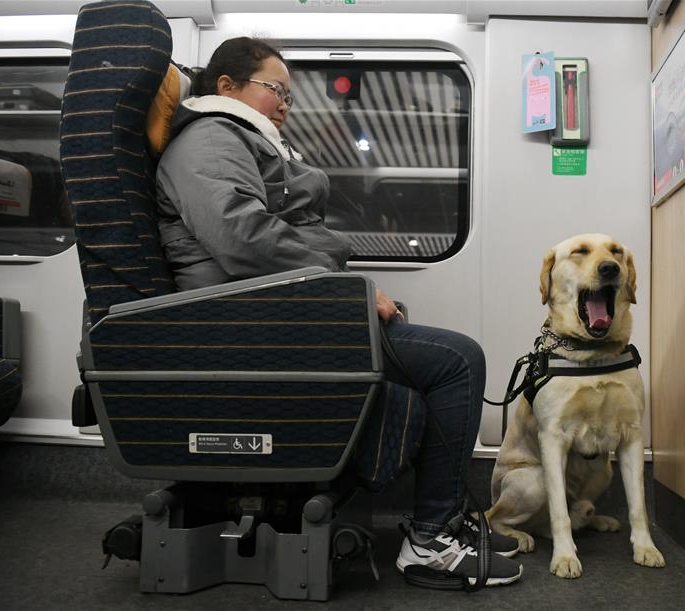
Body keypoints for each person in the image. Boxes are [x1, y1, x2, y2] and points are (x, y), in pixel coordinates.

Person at [155, 37, 522, 587]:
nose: (285, 103)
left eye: (288, 95)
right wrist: (342, 278)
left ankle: (439, 524)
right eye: (276, 89)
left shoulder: (239, 139)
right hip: (248, 321)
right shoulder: (208, 139)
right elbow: (240, 238)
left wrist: (344, 286)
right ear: (226, 87)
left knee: (427, 350)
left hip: (282, 306)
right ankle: (429, 542)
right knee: (458, 361)